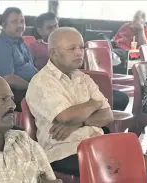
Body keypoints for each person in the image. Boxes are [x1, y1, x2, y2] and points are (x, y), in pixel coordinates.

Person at [26, 27, 114, 176]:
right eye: (72, 48)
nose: (79, 52)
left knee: (135, 160)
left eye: (81, 47)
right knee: (111, 168)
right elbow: (66, 117)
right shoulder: (42, 82)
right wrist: (94, 103)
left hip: (95, 143)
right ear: (54, 53)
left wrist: (80, 123)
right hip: (63, 150)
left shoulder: (83, 77)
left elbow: (108, 116)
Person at [0, 7, 37, 111]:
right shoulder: (2, 46)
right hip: (13, 96)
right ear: (4, 25)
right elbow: (7, 79)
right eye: (15, 22)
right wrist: (34, 87)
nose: (20, 25)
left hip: (29, 91)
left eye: (22, 21)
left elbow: (30, 68)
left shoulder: (20, 42)